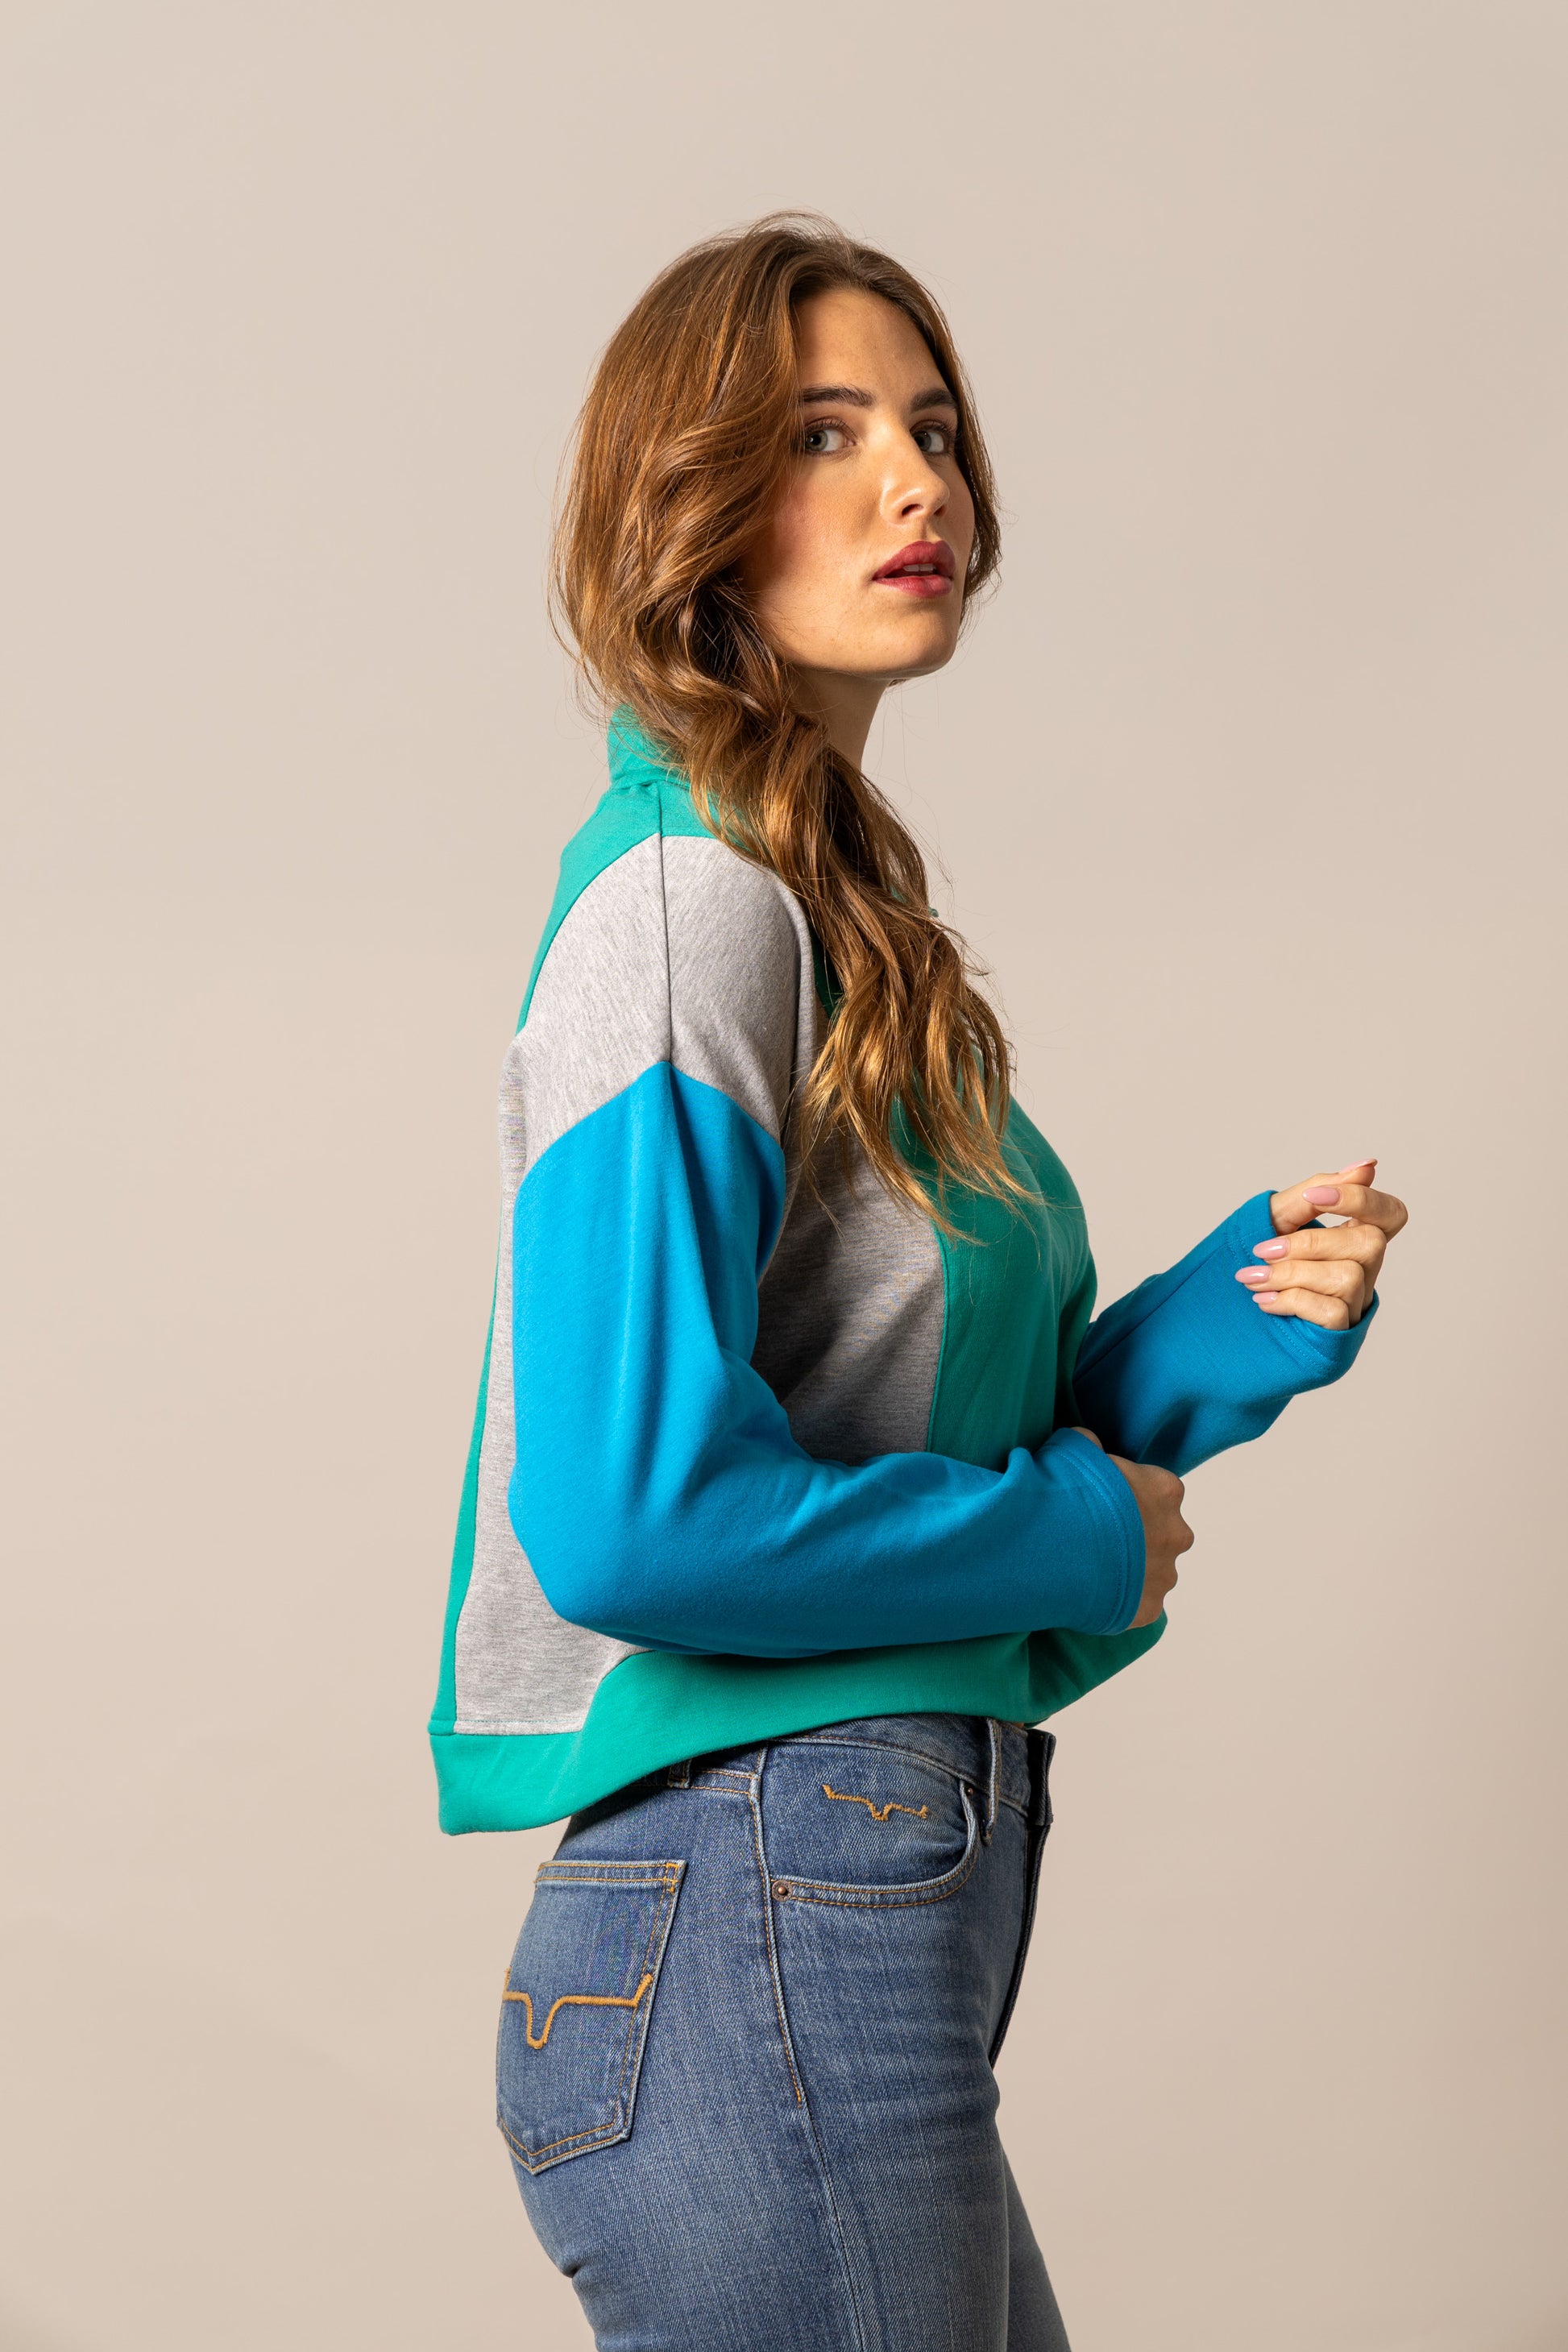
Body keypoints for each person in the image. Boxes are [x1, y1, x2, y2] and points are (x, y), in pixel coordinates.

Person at [428, 214, 1407, 2352]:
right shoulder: (687, 910)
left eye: (934, 426)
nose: (915, 481)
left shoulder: (825, 916)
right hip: (760, 1918)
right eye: (823, 433)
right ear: (687, 504)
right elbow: (633, 1517)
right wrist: (1076, 1531)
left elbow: (893, 1439)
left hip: (814, 1924)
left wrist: (1215, 1332)